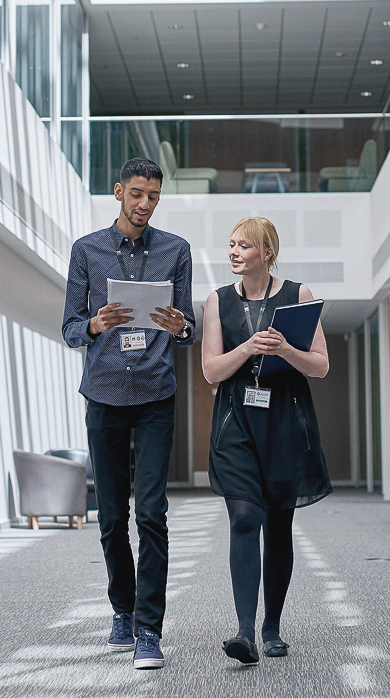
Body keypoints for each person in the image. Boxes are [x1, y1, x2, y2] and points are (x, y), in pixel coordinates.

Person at [61, 157, 196, 670]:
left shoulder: (175, 251)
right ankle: (121, 607)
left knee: (152, 514)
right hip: (104, 392)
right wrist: (94, 325)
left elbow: (187, 329)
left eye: (153, 197)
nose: (144, 205)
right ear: (118, 191)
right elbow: (70, 327)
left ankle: (148, 630)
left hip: (157, 392)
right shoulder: (87, 251)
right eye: (137, 194)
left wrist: (181, 324)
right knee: (114, 517)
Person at [200, 216, 332, 665]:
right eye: (231, 244)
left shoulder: (299, 296)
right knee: (243, 517)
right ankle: (243, 632)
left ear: (267, 252)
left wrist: (285, 351)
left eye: (243, 246)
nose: (234, 252)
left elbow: (320, 366)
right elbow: (211, 371)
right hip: (236, 423)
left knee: (277, 524)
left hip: (285, 423)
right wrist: (248, 348)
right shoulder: (217, 301)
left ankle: (271, 628)